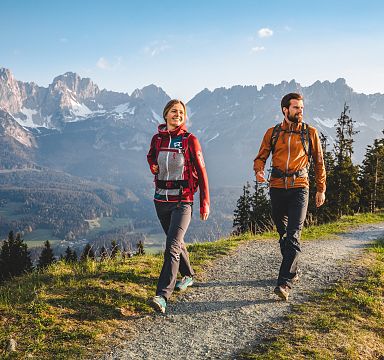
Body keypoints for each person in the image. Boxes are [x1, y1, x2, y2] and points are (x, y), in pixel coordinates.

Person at [253, 93, 326, 301]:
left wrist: (321, 189)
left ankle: (284, 283)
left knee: (293, 235)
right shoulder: (273, 133)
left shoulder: (310, 133)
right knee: (284, 236)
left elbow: (319, 163)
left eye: (301, 107)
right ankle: (293, 270)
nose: (300, 111)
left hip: (300, 187)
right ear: (285, 110)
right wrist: (258, 171)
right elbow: (261, 157)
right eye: (296, 108)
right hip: (276, 187)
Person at [147, 99, 210, 313]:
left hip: (183, 201)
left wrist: (205, 203)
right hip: (160, 200)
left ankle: (162, 295)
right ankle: (189, 275)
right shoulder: (157, 139)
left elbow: (202, 173)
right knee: (177, 242)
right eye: (174, 112)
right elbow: (150, 157)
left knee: (172, 246)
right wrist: (153, 166)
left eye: (181, 112)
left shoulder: (190, 140)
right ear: (165, 115)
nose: (178, 115)